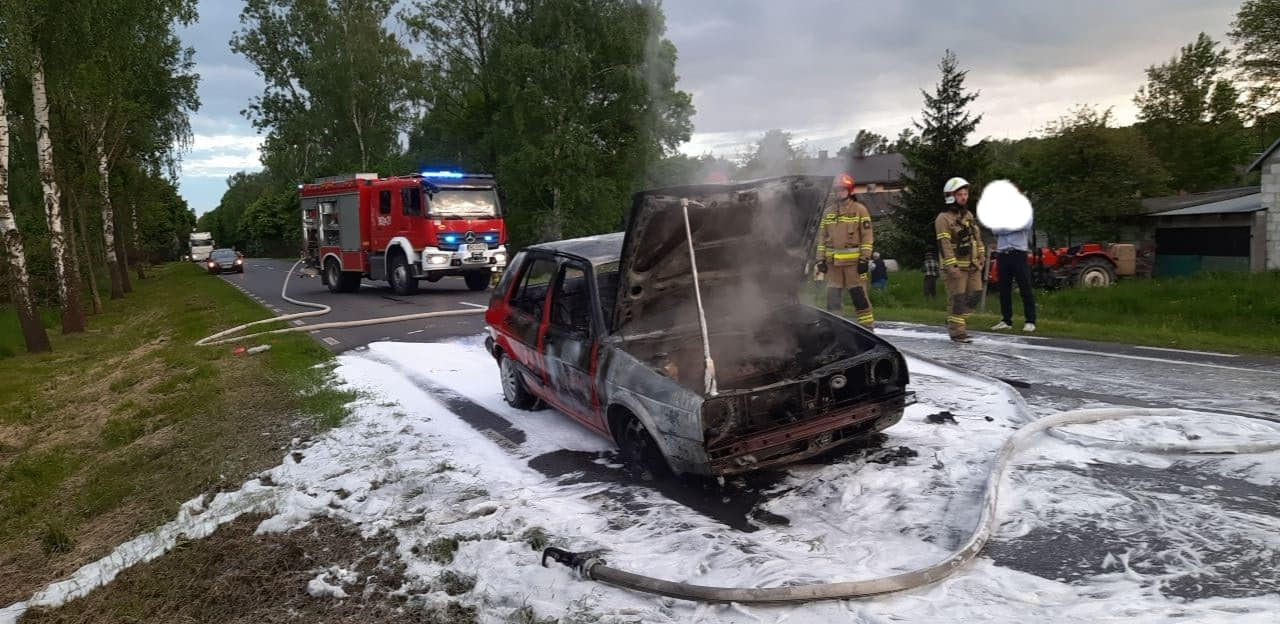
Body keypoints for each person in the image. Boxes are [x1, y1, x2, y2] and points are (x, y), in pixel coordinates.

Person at [816, 173, 875, 329]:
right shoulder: (828, 212)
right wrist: (820, 259)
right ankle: (836, 332)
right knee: (833, 301)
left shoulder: (860, 210)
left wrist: (864, 258)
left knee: (859, 299)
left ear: (850, 190)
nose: (840, 192)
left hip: (854, 266)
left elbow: (867, 237)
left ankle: (868, 329)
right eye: (837, 189)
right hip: (833, 265)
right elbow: (822, 238)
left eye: (843, 189)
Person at [934, 177, 985, 343]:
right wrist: (951, 266)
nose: (964, 197)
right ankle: (957, 332)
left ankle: (954, 321)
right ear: (950, 196)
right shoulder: (943, 219)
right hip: (956, 267)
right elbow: (944, 244)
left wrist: (982, 254)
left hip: (973, 265)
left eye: (965, 193)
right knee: (958, 299)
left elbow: (977, 237)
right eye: (960, 194)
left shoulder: (968, 215)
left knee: (976, 295)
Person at [989, 212, 1037, 332]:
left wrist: (1005, 227)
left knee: (1025, 287)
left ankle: (1030, 321)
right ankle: (1006, 320)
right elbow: (995, 229)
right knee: (1004, 289)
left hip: (1018, 253)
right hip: (1003, 253)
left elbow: (1025, 225)